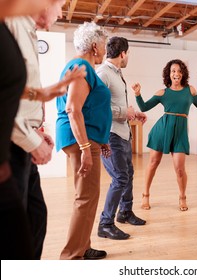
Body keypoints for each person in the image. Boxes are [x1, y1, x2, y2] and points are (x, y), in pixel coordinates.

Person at [5, 0, 65, 260]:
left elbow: (18, 91)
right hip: (12, 147)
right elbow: (5, 96)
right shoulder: (12, 26)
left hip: (24, 142)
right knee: (15, 235)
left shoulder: (27, 32)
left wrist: (36, 130)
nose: (61, 12)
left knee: (36, 217)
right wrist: (31, 141)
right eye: (60, 4)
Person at [56, 22, 111, 260]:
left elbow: (88, 108)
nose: (105, 52)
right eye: (105, 46)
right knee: (86, 197)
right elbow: (73, 109)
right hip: (82, 140)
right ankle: (71, 256)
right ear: (95, 46)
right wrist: (87, 147)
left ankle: (82, 245)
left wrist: (100, 139)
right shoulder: (81, 67)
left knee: (88, 196)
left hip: (88, 138)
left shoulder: (81, 67)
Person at [132, 59, 197, 211]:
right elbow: (144, 106)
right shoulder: (163, 93)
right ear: (168, 75)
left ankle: (182, 197)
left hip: (180, 132)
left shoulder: (190, 90)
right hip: (162, 130)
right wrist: (138, 94)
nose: (176, 73)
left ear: (183, 74)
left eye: (178, 71)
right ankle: (145, 195)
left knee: (180, 168)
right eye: (173, 71)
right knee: (153, 163)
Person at [96, 36, 147, 241]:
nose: (128, 58)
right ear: (123, 53)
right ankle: (105, 224)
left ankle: (124, 212)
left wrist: (133, 113)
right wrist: (122, 111)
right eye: (129, 54)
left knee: (128, 174)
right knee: (120, 178)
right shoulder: (103, 74)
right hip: (111, 135)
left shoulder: (117, 74)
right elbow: (96, 106)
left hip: (123, 133)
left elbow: (118, 105)